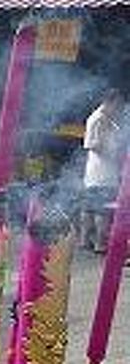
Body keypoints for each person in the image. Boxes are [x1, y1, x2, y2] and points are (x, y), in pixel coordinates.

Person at [80, 88, 127, 253]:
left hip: (102, 173)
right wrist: (113, 151)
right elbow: (90, 144)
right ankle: (99, 245)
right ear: (110, 102)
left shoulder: (109, 119)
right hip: (101, 174)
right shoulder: (98, 119)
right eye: (117, 105)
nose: (119, 108)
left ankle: (86, 242)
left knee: (91, 208)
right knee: (102, 210)